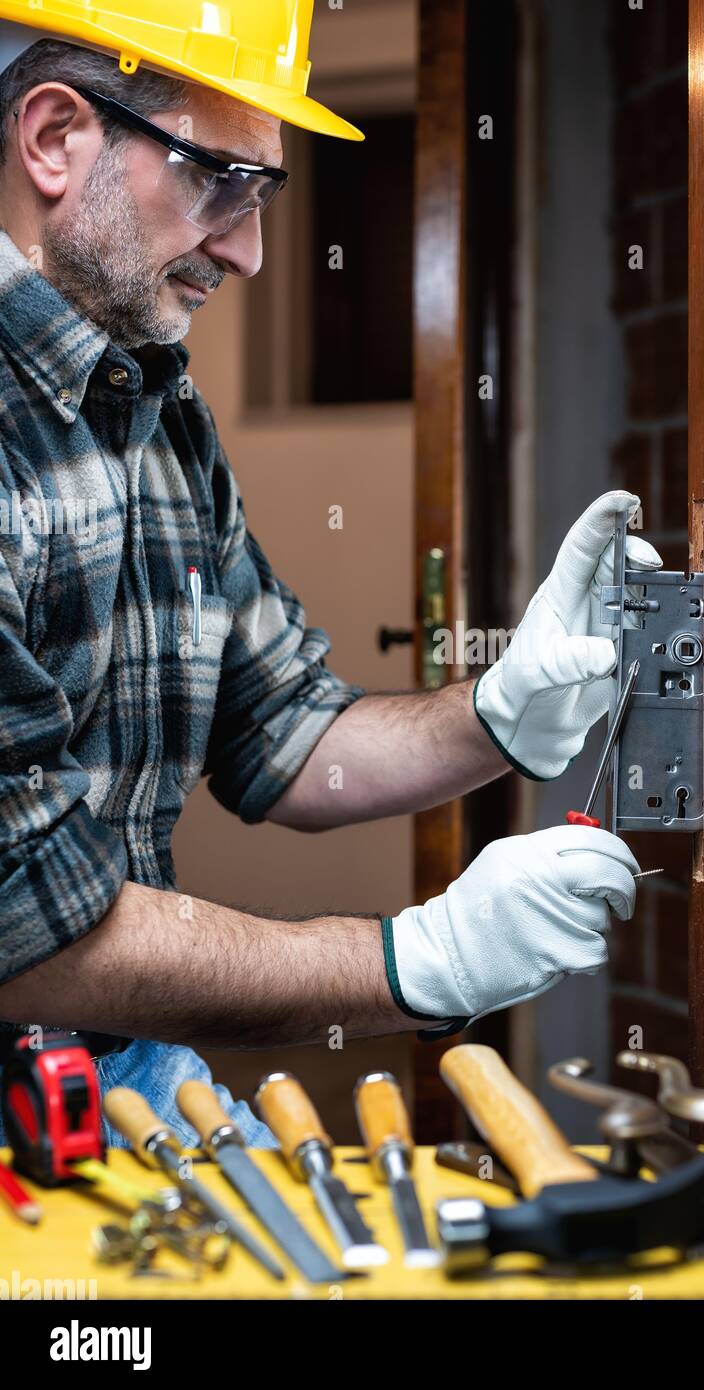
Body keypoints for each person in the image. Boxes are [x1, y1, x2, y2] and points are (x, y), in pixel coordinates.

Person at [0, 4, 660, 1145]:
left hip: (123, 1073)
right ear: (56, 137)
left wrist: (499, 713)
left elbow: (284, 735)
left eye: (264, 195)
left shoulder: (160, 409)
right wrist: (422, 959)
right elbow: (32, 931)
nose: (250, 251)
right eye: (218, 181)